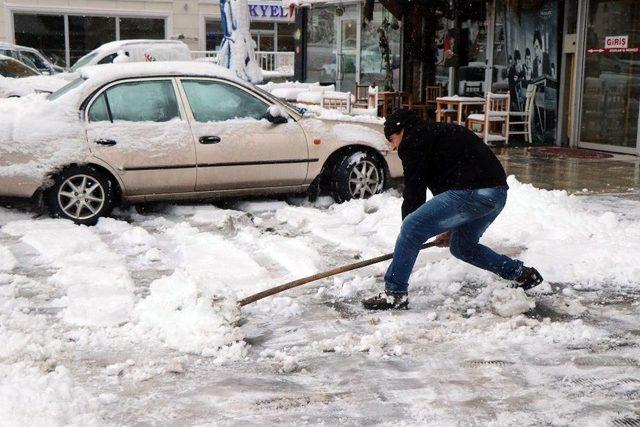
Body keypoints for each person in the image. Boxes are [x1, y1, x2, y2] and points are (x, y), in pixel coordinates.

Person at [362, 110, 543, 310]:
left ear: (400, 130)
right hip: (497, 194)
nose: (393, 147)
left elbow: (415, 190)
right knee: (462, 247)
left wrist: (410, 226)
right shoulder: (437, 133)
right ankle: (521, 274)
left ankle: (394, 293)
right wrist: (449, 227)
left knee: (412, 227)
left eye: (392, 139)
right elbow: (446, 187)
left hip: (472, 192)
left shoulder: (413, 140)